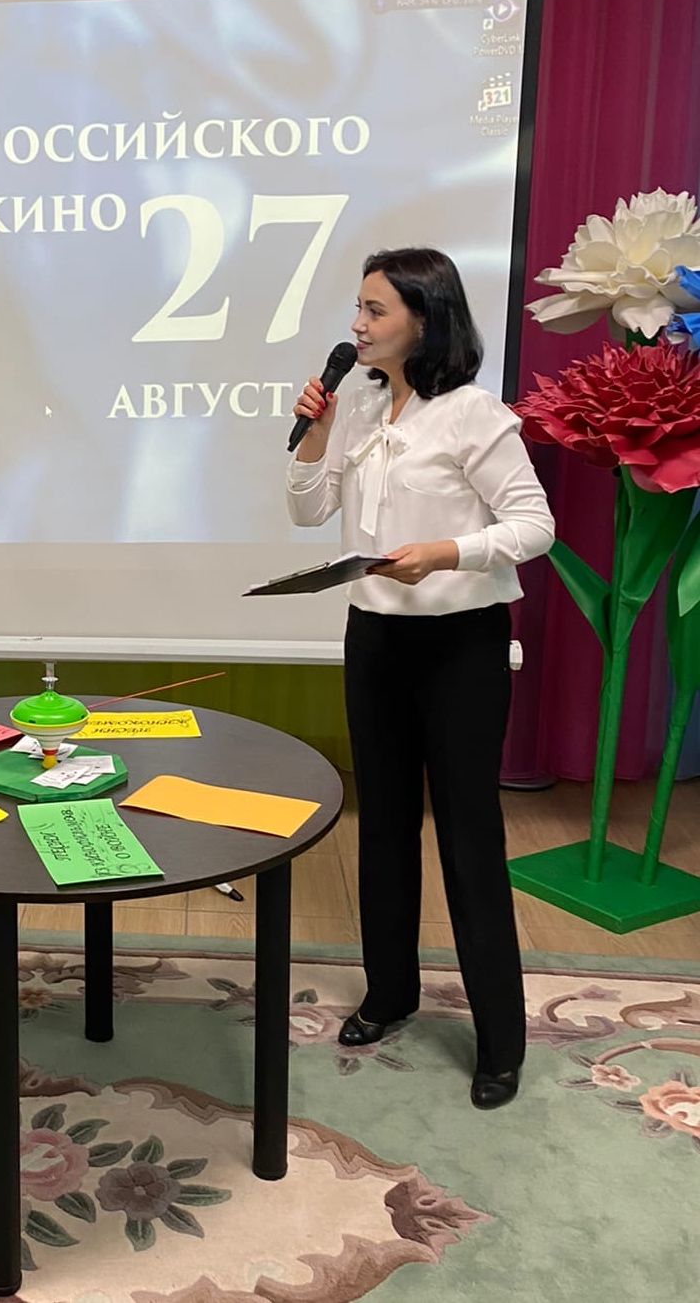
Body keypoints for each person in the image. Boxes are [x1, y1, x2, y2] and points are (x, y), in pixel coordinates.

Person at [286, 249, 554, 1110]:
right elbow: (307, 509)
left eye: (375, 310)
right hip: (375, 638)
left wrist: (447, 551)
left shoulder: (473, 413)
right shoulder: (363, 405)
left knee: (469, 838)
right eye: (358, 308)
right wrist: (316, 432)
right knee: (385, 827)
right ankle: (390, 992)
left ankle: (500, 1041)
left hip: (460, 646)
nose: (356, 325)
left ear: (426, 319)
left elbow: (534, 526)